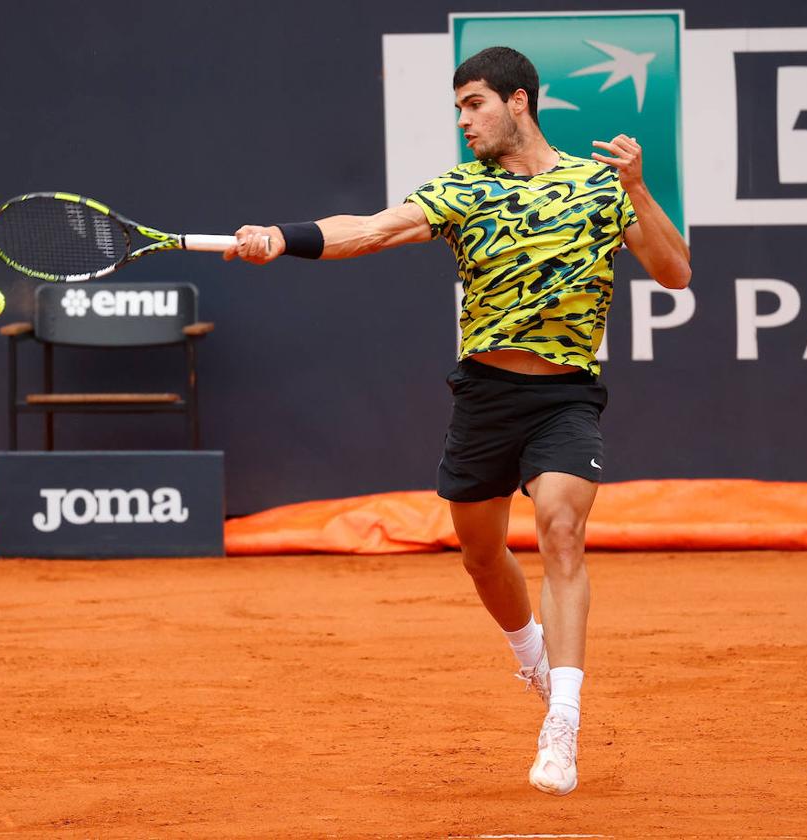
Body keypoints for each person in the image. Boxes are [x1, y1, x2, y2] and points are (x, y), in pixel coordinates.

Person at [223, 45, 690, 796]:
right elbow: (371, 229)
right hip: (484, 397)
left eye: (475, 104)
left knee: (562, 531)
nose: (465, 120)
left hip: (567, 395)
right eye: (459, 108)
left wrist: (637, 190)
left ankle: (561, 722)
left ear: (519, 102)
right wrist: (285, 237)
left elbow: (675, 272)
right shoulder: (461, 191)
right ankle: (532, 658)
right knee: (480, 554)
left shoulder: (600, 187)